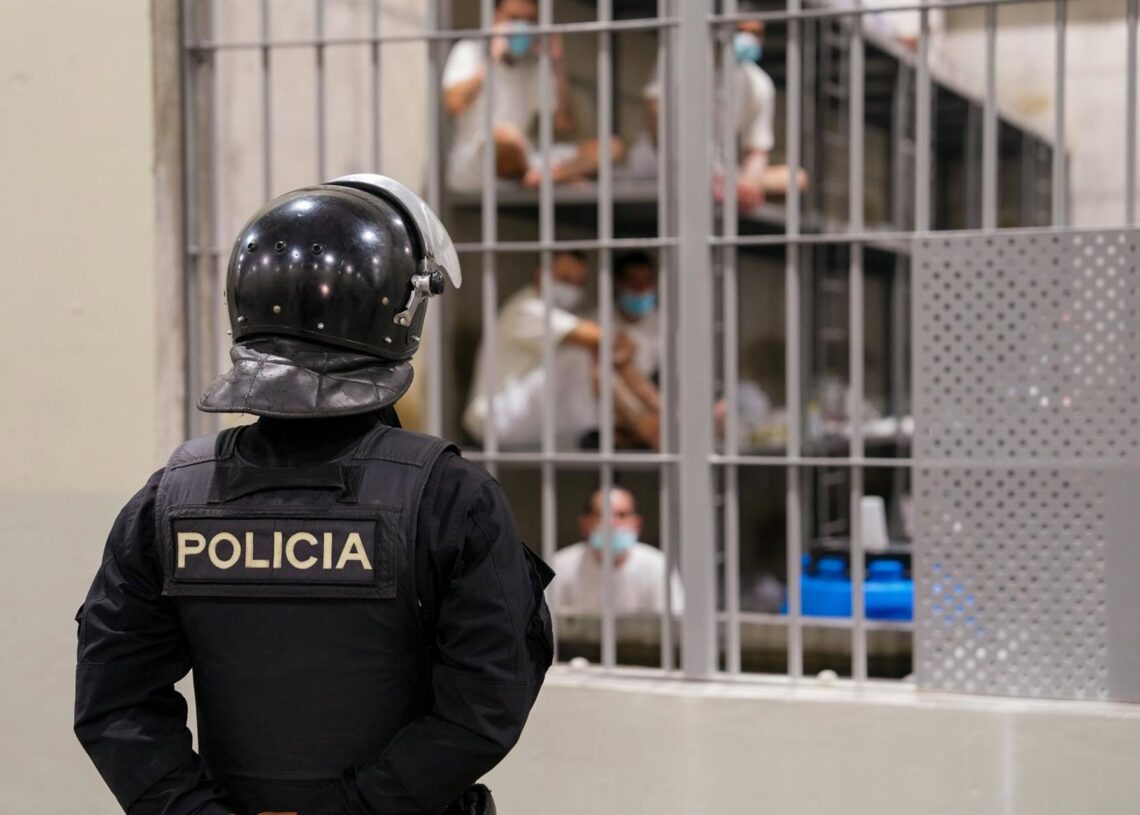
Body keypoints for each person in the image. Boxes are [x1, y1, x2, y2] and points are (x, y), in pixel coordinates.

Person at [74, 174, 554, 815]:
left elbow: (114, 702)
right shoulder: (451, 499)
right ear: (400, 314)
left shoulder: (171, 499)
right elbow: (485, 704)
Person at [442, 0, 623, 192]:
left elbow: (564, 124)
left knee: (612, 147)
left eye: (530, 20)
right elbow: (454, 104)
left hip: (526, 156)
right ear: (495, 18)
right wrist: (491, 60)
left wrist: (556, 62)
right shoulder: (469, 50)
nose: (522, 26)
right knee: (505, 136)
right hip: (474, 164)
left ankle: (547, 176)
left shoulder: (534, 65)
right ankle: (547, 176)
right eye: (514, 18)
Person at [462, 251, 637, 449]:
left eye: (579, 283)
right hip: (495, 420)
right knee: (578, 352)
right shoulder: (526, 308)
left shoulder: (555, 312)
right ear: (539, 274)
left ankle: (608, 426)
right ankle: (602, 428)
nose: (571, 288)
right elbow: (604, 339)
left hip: (519, 415)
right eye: (564, 279)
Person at [638, 10, 807, 210]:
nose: (749, 39)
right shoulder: (680, 58)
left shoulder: (759, 84)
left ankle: (724, 186)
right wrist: (692, 168)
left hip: (717, 173)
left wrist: (748, 182)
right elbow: (655, 114)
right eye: (742, 30)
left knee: (796, 178)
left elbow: (757, 148)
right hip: (661, 163)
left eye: (756, 34)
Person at [551, 487, 683, 616]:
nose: (612, 522)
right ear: (585, 524)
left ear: (637, 525)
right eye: (602, 514)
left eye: (622, 515)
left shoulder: (657, 566)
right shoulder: (560, 566)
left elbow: (674, 624)